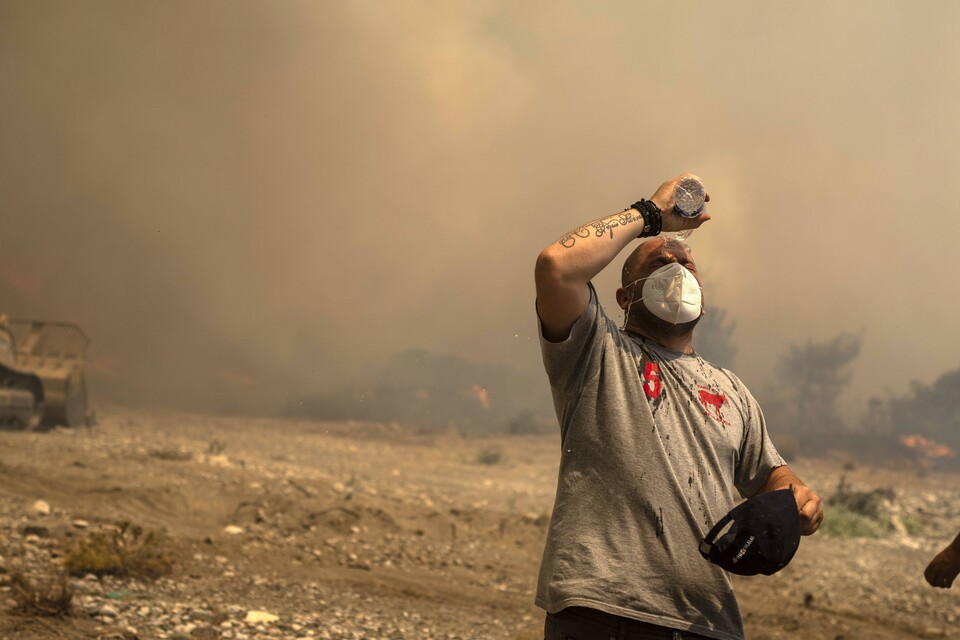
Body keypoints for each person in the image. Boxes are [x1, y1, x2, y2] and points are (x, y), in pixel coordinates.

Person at [533, 173, 823, 640]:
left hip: (705, 622)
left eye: (686, 263)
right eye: (659, 261)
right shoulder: (597, 353)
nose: (676, 265)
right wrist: (650, 216)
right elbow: (556, 267)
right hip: (601, 613)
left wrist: (797, 498)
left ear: (702, 303)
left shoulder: (731, 391)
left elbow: (770, 474)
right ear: (624, 297)